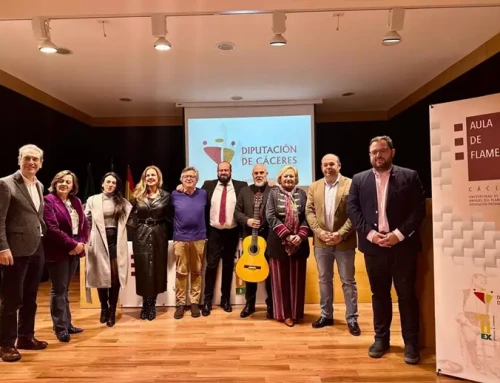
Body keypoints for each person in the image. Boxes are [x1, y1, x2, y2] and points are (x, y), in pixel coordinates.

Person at [347, 135, 425, 365]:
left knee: (406, 296)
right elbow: (353, 210)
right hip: (374, 248)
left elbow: (418, 210)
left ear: (392, 152)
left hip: (403, 247)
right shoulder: (359, 179)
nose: (377, 156)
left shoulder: (409, 176)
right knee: (379, 296)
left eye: (382, 151)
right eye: (373, 152)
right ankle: (381, 339)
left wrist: (397, 235)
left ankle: (411, 343)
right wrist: (371, 235)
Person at [0, 144, 48, 363]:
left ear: (41, 163)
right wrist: (2, 247)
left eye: (36, 159)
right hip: (14, 251)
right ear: (19, 159)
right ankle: (6, 345)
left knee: (30, 297)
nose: (32, 163)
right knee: (11, 299)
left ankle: (26, 338)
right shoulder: (5, 183)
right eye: (27, 158)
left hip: (36, 247)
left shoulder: (39, 185)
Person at [305, 154, 360, 335]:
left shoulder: (350, 184)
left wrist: (340, 234)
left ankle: (352, 319)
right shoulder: (314, 186)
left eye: (331, 164)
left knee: (348, 282)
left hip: (344, 242)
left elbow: (355, 212)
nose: (328, 167)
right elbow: (309, 211)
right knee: (324, 280)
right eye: (325, 165)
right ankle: (326, 314)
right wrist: (320, 232)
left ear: (339, 165)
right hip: (321, 242)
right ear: (321, 167)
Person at [43, 170, 89, 342]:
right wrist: (73, 244)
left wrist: (82, 243)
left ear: (73, 186)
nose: (64, 184)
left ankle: (67, 323)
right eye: (61, 180)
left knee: (65, 289)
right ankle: (60, 328)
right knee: (59, 289)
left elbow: (85, 225)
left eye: (68, 182)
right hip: (58, 250)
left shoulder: (76, 201)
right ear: (55, 182)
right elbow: (52, 228)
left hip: (75, 249)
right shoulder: (48, 200)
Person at [85, 172, 132, 327]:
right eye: (108, 182)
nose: (111, 185)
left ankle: (112, 309)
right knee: (101, 276)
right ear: (103, 183)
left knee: (114, 276)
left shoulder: (123, 202)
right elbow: (86, 220)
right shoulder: (93, 200)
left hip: (116, 241)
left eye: (114, 183)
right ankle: (103, 307)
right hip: (99, 240)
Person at [200, 162, 247, 316]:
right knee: (211, 266)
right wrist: (181, 188)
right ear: (217, 171)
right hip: (214, 232)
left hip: (232, 232)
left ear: (231, 171)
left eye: (226, 170)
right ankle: (207, 301)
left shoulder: (241, 186)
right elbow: (195, 197)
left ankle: (225, 299)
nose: (223, 172)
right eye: (221, 170)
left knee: (228, 267)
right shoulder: (208, 185)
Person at [265, 165, 310, 327]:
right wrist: (287, 235)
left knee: (297, 281)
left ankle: (297, 313)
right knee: (280, 281)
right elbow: (270, 216)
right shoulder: (273, 194)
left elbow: (307, 216)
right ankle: (285, 314)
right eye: (286, 176)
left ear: (296, 179)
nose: (289, 179)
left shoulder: (302, 194)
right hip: (278, 244)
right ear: (280, 179)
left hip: (299, 243)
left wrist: (300, 236)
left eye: (292, 176)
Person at [127, 166, 170, 321]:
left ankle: (152, 305)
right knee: (144, 270)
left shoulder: (166, 196)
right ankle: (145, 303)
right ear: (144, 178)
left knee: (157, 270)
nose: (151, 177)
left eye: (153, 175)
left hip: (159, 234)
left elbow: (170, 216)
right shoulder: (136, 195)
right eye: (148, 175)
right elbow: (131, 216)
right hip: (141, 234)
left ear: (158, 178)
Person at [234, 164, 273, 319]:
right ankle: (249, 305)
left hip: (269, 238)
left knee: (270, 274)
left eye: (261, 172)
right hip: (250, 239)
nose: (258, 175)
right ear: (252, 174)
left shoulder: (273, 190)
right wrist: (247, 220)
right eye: (256, 173)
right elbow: (237, 212)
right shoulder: (244, 191)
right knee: (250, 272)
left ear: (266, 174)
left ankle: (271, 306)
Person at [170, 166, 207, 319]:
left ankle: (194, 303)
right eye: (186, 177)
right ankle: (180, 303)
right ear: (181, 179)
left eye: (192, 176)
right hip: (180, 238)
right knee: (181, 272)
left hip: (199, 238)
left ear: (196, 179)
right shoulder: (174, 194)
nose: (189, 179)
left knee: (197, 271)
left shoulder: (203, 193)